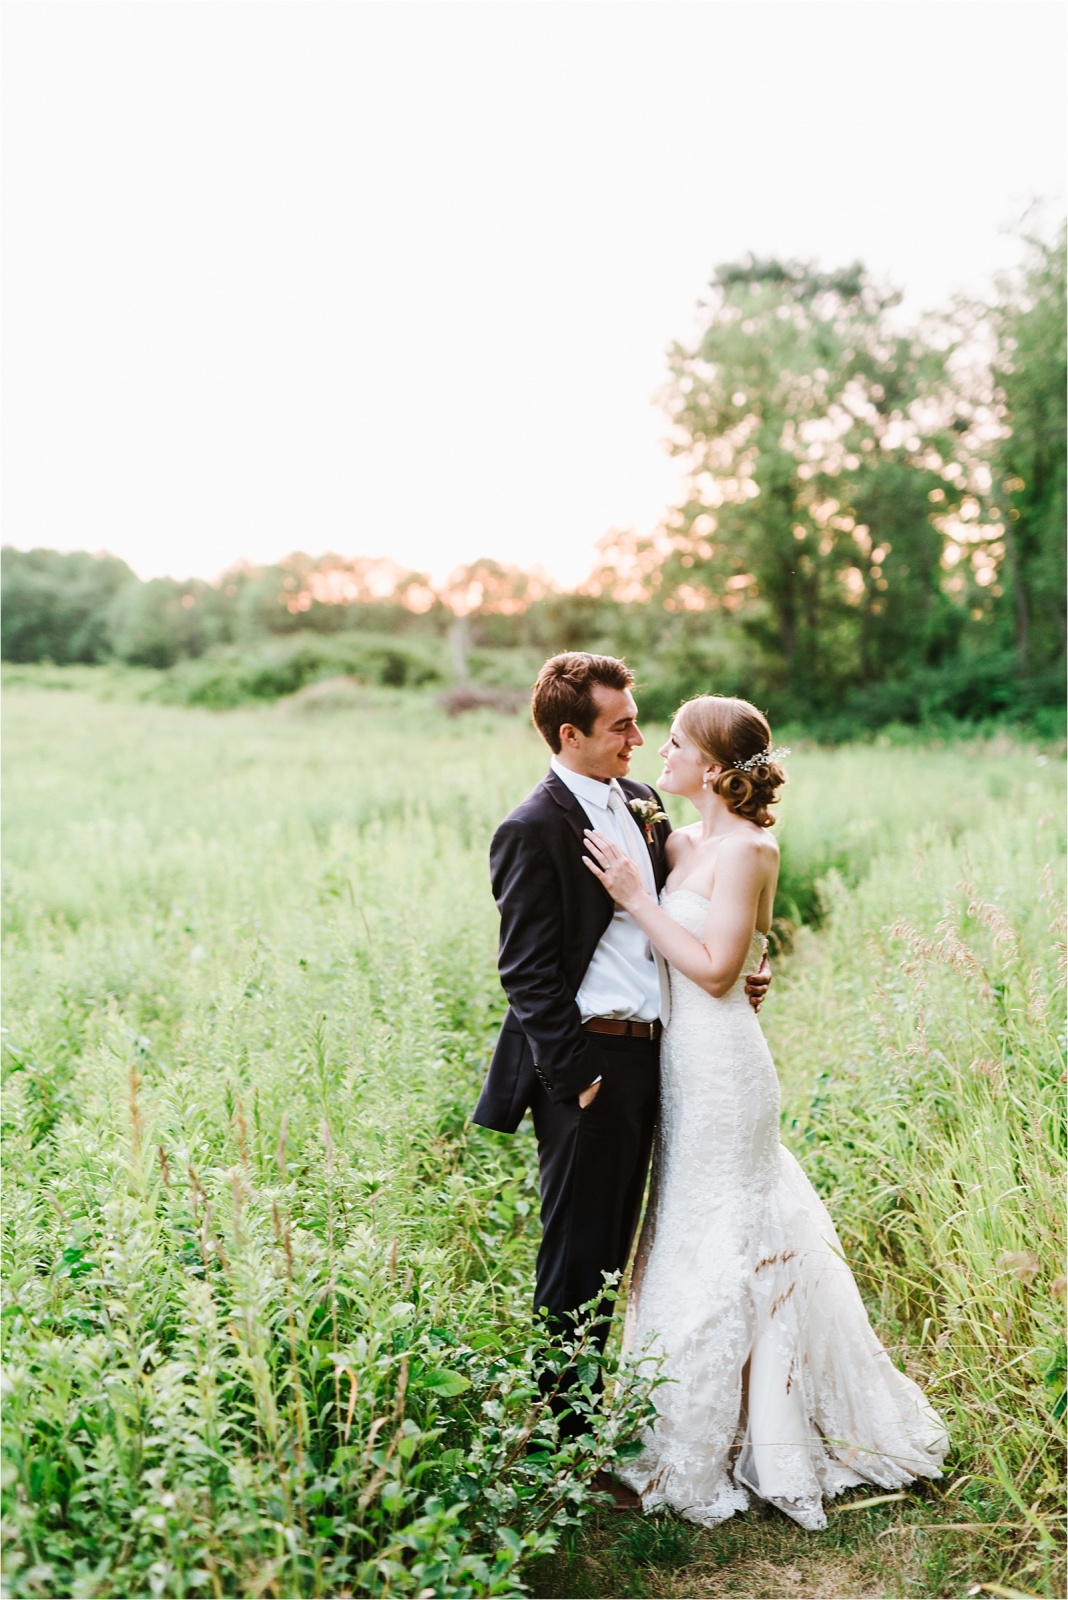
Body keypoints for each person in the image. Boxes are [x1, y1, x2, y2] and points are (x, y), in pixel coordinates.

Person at [581, 693, 948, 1530]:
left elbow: (716, 971)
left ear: (711, 769)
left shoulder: (750, 848)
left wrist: (646, 903)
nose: (658, 753)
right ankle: (687, 1417)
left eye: (673, 743)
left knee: (733, 1227)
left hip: (727, 1069)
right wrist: (751, 959)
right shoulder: (675, 840)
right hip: (679, 1065)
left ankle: (757, 1436)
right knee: (682, 1225)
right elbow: (748, 952)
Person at [471, 655, 770, 1454]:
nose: (639, 736)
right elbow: (526, 975)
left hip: (665, 1059)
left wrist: (751, 961)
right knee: (577, 1253)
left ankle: (614, 1418)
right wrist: (580, 1083)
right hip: (591, 1065)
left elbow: (689, 910)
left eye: (641, 722)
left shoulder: (642, 805)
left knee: (631, 1250)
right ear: (571, 734)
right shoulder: (531, 828)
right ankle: (560, 1444)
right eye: (622, 725)